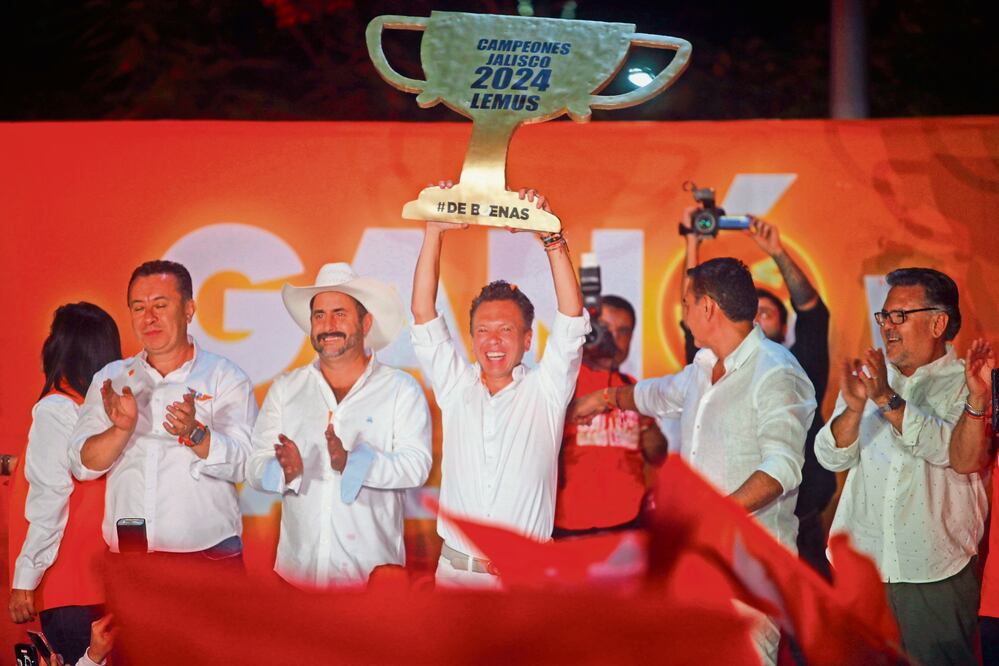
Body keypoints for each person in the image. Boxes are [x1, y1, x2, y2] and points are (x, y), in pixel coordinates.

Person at [572, 257, 815, 665]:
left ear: (707, 308)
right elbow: (657, 395)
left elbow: (782, 468)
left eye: (686, 304)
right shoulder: (702, 369)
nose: (682, 316)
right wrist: (606, 398)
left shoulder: (776, 373)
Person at [410, 184, 587, 589]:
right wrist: (434, 233)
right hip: (455, 579)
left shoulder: (546, 392)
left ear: (527, 340)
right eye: (483, 331)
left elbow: (571, 317)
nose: (493, 342)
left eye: (506, 330)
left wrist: (551, 238)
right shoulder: (456, 387)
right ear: (471, 338)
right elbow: (423, 313)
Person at [814, 267, 986, 665]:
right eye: (884, 316)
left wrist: (887, 401)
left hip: (935, 572)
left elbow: (955, 454)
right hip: (862, 568)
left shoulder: (973, 382)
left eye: (900, 316)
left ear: (939, 322)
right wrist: (854, 410)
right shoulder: (871, 379)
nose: (888, 327)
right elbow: (831, 456)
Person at [245, 263, 432, 588]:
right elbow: (254, 466)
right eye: (319, 315)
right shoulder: (287, 388)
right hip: (298, 577)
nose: (327, 325)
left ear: (366, 322)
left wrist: (354, 463)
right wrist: (283, 471)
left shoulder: (400, 388)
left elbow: (417, 466)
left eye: (339, 314)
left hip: (372, 580)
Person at [69, 260, 258, 565]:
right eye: (138, 308)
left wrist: (194, 434)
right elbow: (83, 465)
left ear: (189, 309)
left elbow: (246, 465)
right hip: (131, 560)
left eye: (160, 305)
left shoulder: (225, 377)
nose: (149, 318)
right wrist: (120, 431)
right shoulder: (111, 379)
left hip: (210, 557)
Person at [682, 211, 835, 576]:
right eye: (754, 313)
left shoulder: (795, 365)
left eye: (767, 314)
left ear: (783, 325)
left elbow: (813, 313)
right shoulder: (712, 369)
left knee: (807, 630)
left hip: (798, 522)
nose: (755, 321)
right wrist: (692, 244)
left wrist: (778, 252)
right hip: (728, 536)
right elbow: (696, 317)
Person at [8, 304, 121, 665]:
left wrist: (25, 577)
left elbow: (51, 498)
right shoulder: (114, 415)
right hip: (111, 585)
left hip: (65, 587)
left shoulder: (55, 409)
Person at [553, 295, 668, 537]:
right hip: (570, 526)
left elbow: (658, 455)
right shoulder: (563, 383)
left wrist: (646, 423)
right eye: (605, 329)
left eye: (623, 331)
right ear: (590, 331)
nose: (614, 338)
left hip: (628, 523)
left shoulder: (633, 387)